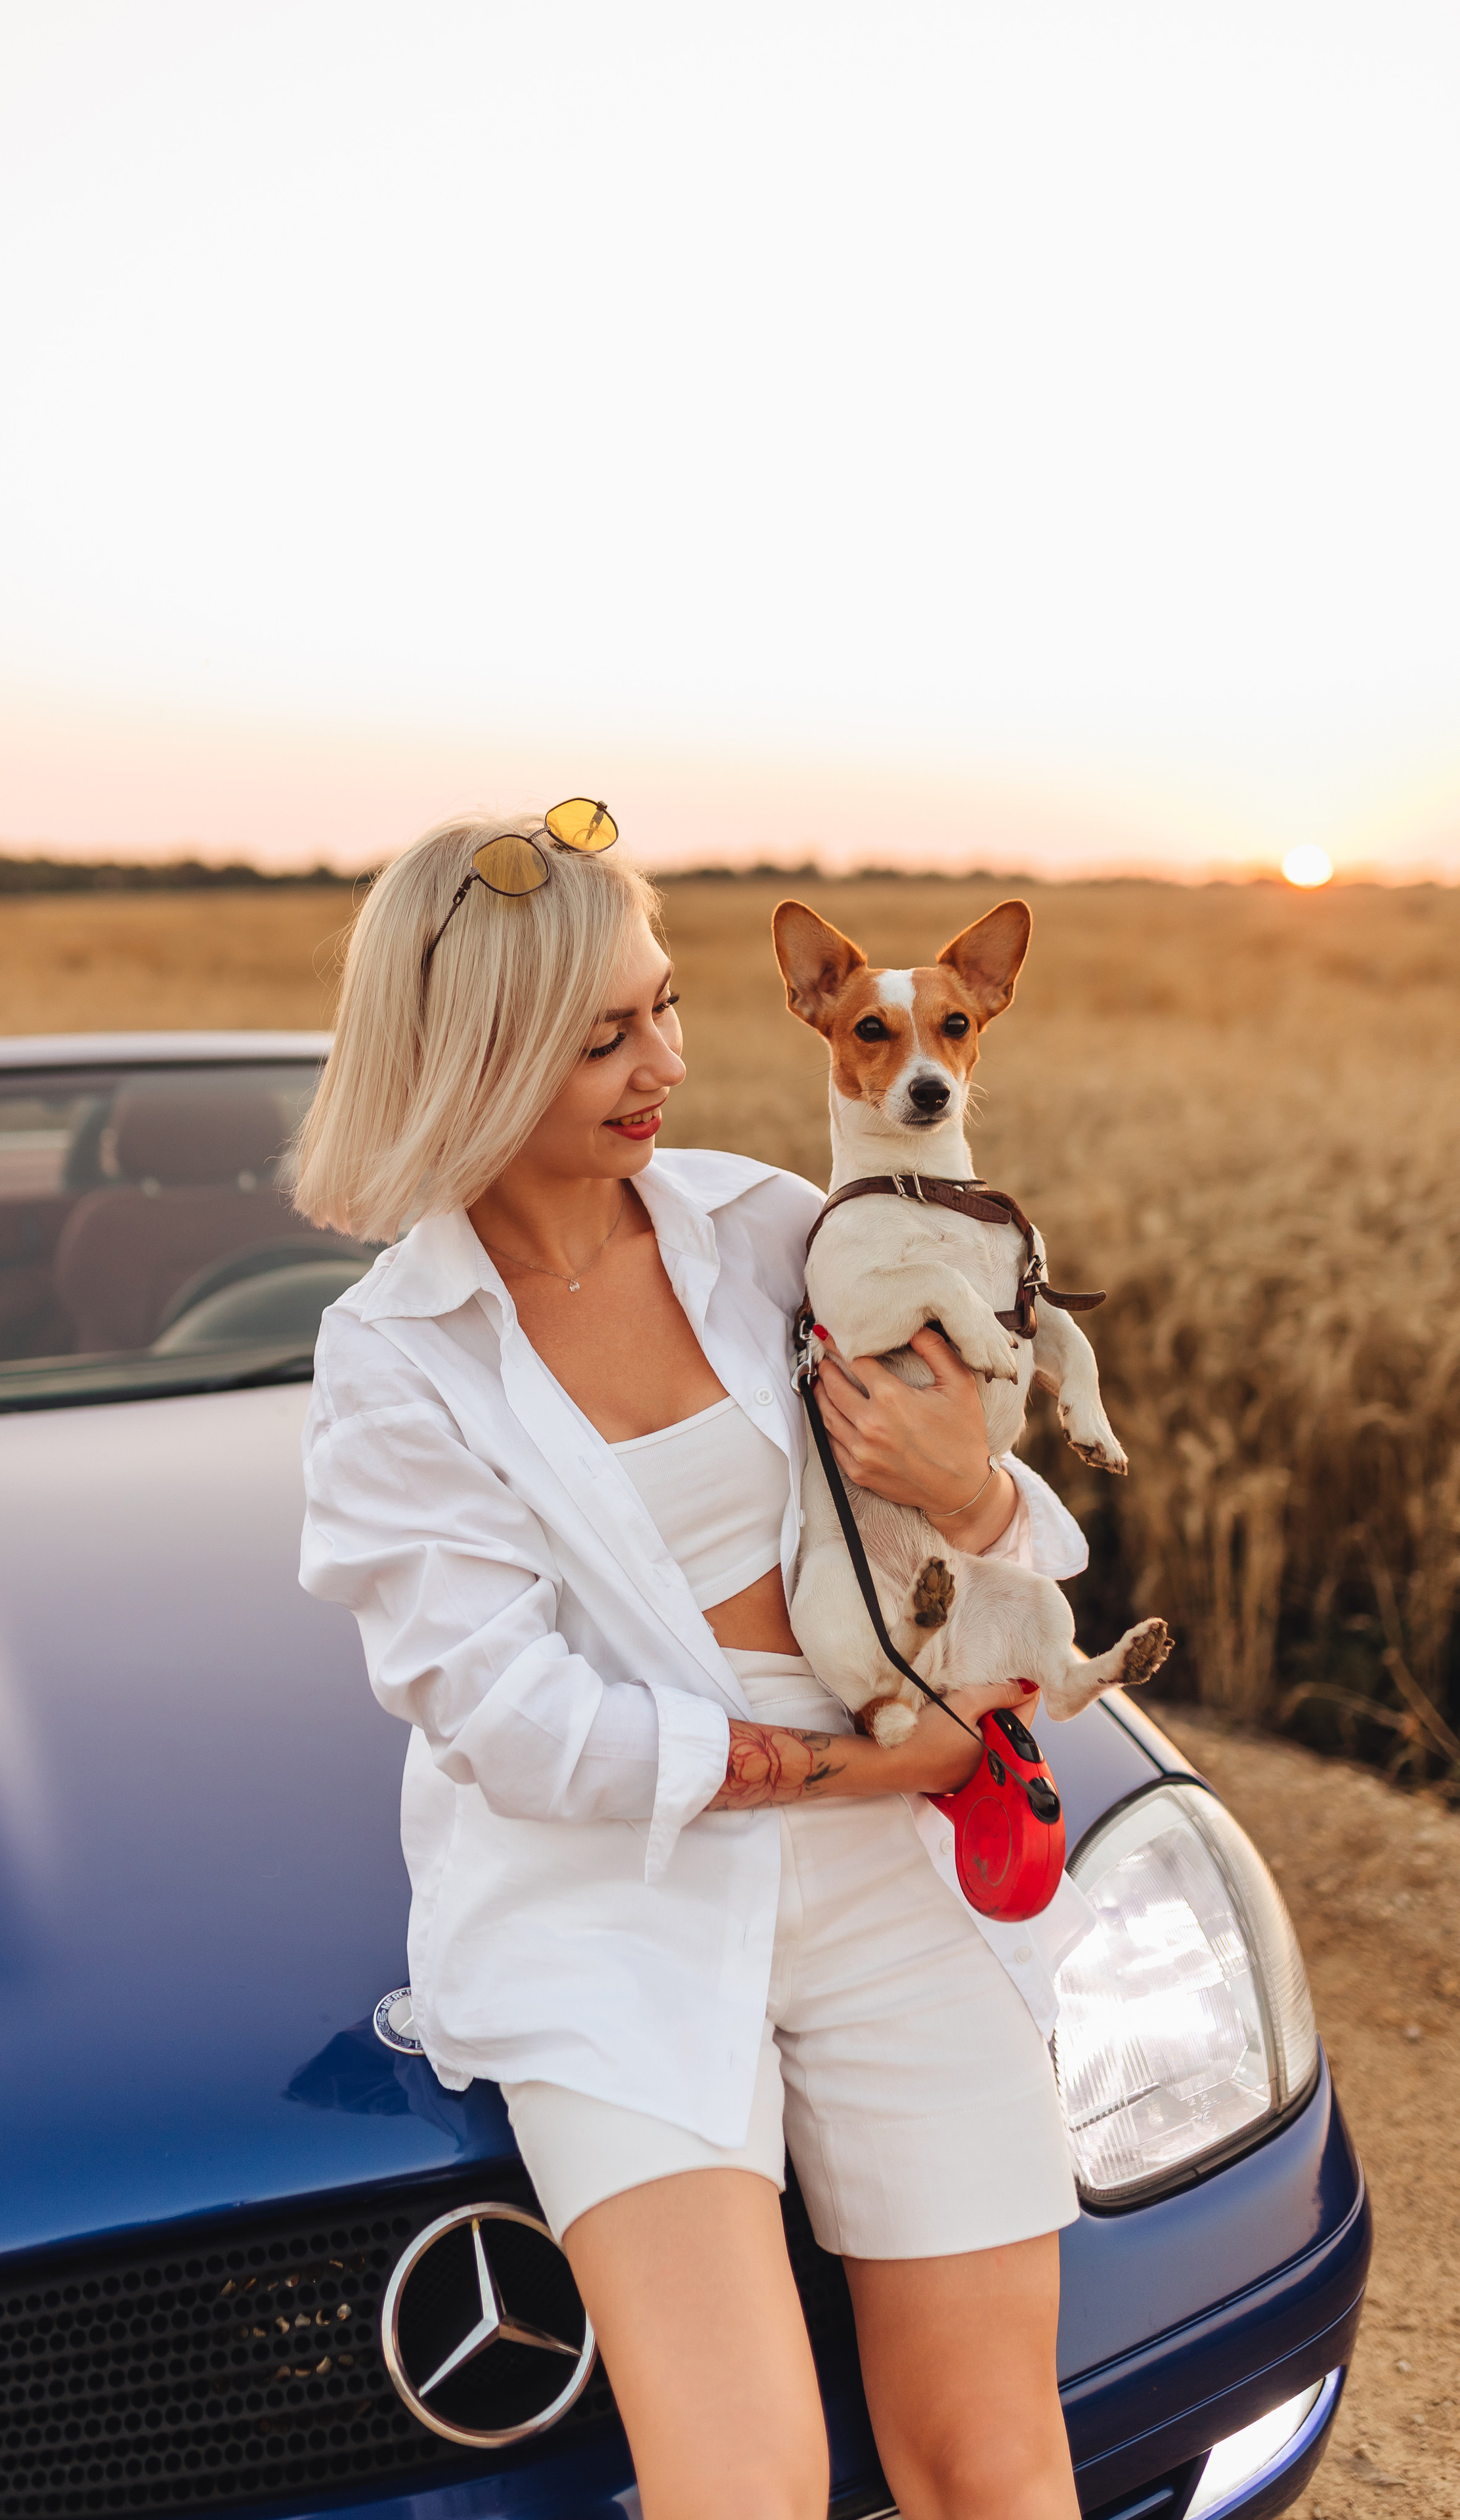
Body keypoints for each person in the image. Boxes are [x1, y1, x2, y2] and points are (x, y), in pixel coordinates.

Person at [296, 805, 1091, 2520]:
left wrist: (978, 1497)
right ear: (477, 1058)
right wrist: (850, 1769)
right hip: (609, 1913)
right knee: (747, 2488)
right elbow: (509, 1720)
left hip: (896, 1884)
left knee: (996, 2463)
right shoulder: (392, 1364)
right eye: (605, 1037)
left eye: (664, 1006)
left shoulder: (768, 1226)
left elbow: (975, 1507)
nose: (666, 1060)